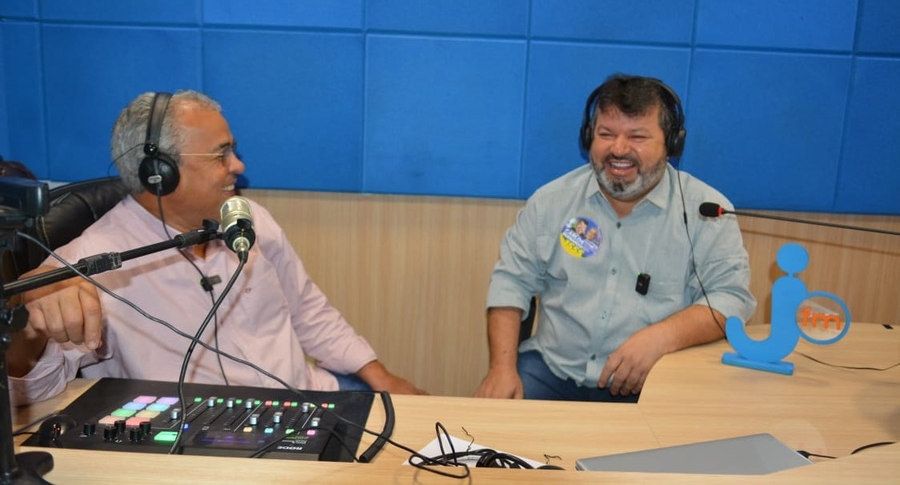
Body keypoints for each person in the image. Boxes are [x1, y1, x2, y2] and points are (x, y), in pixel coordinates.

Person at [8, 90, 425, 404]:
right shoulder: (84, 266)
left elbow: (308, 312)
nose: (238, 166)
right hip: (203, 439)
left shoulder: (249, 218)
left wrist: (380, 376)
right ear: (159, 172)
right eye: (220, 155)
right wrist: (29, 323)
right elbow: (30, 392)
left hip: (306, 400)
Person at [475, 74, 756, 402]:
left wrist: (661, 338)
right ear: (588, 137)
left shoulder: (706, 212)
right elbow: (511, 282)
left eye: (637, 136)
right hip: (553, 371)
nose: (619, 149)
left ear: (671, 144)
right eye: (606, 134)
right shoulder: (550, 202)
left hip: (652, 381)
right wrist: (501, 369)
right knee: (490, 430)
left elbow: (730, 298)